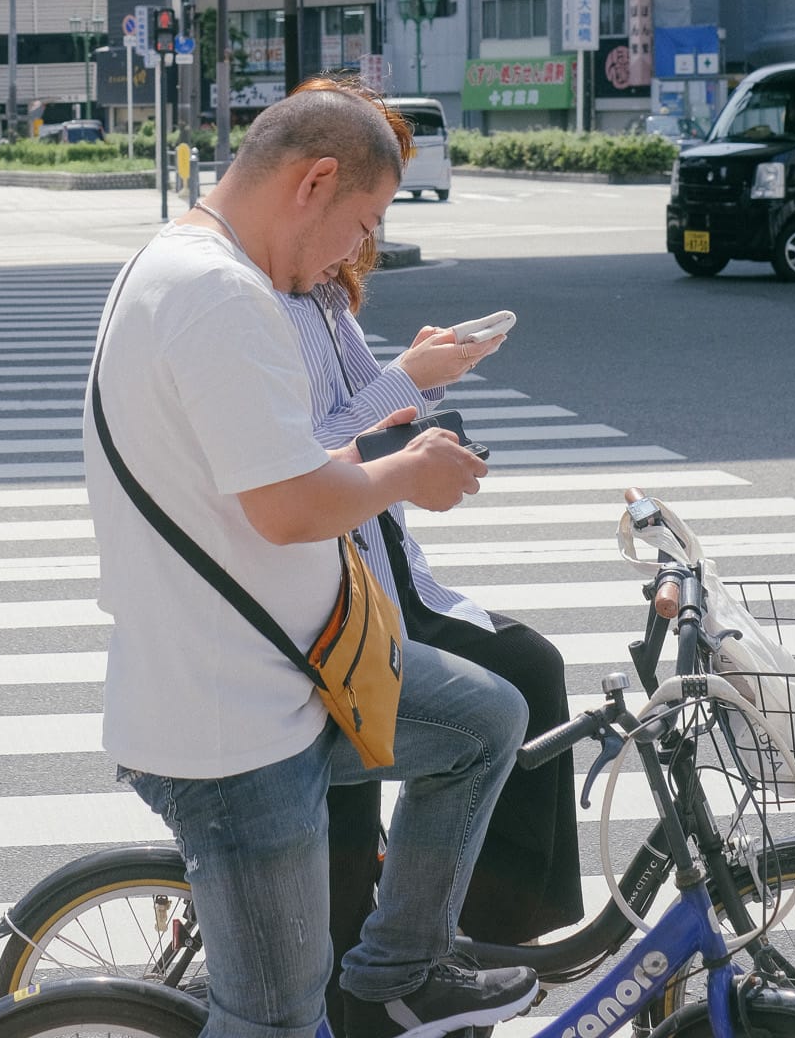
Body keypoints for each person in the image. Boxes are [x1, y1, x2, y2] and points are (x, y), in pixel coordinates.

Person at [84, 90, 536, 1038]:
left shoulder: (177, 267)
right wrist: (407, 472)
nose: (352, 250)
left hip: (289, 674)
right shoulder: (221, 293)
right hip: (234, 724)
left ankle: (398, 971)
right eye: (361, 223)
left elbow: (274, 470)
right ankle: (387, 976)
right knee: (276, 1021)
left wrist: (383, 442)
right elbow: (288, 507)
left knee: (488, 715)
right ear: (314, 180)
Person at [279, 81, 582, 1033]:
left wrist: (405, 375)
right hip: (342, 575)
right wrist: (405, 386)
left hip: (364, 557)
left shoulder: (318, 286)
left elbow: (342, 411)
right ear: (318, 181)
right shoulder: (268, 292)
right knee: (512, 685)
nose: (370, 234)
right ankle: (449, 952)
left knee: (503, 686)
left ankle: (442, 946)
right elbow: (307, 447)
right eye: (368, 210)